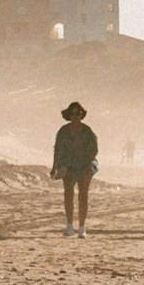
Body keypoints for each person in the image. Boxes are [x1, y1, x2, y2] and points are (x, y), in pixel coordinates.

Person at [51, 101, 97, 236]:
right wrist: (55, 166)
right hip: (68, 167)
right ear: (68, 115)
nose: (76, 116)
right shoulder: (63, 131)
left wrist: (85, 162)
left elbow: (93, 150)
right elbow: (57, 149)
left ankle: (82, 227)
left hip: (84, 167)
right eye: (73, 113)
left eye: (78, 113)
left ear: (82, 115)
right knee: (68, 196)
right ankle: (70, 226)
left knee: (83, 196)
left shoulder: (87, 131)